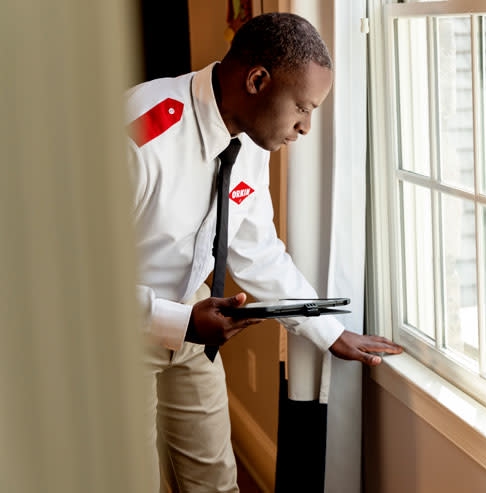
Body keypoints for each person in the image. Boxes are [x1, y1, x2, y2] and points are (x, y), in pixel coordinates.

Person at [124, 12, 403, 492]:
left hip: (191, 329)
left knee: (215, 483)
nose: (306, 126)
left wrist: (329, 332)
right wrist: (181, 321)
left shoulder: (250, 138)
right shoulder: (142, 133)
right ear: (257, 80)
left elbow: (258, 251)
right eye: (302, 106)